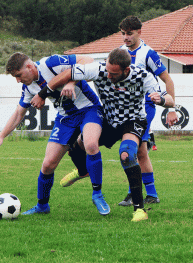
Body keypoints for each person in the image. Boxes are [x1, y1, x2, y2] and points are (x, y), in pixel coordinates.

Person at [38, 48, 175, 222]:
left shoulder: (143, 76)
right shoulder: (100, 69)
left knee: (127, 154)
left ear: (126, 70)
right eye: (107, 71)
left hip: (133, 121)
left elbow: (170, 99)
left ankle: (139, 210)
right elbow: (68, 72)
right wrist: (61, 86)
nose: (108, 76)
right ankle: (82, 171)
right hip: (109, 121)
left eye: (113, 73)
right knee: (77, 146)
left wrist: (161, 100)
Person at [61, 16, 179, 207]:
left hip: (143, 107)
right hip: (115, 110)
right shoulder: (118, 54)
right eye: (123, 34)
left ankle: (143, 194)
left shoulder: (148, 54)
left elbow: (168, 80)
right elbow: (93, 72)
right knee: (136, 150)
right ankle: (147, 193)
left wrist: (171, 109)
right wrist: (71, 80)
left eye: (129, 34)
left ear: (139, 32)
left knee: (137, 151)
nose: (125, 37)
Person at [0, 52, 110, 216]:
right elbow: (19, 113)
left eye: (18, 75)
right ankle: (42, 206)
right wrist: (1, 136)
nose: (18, 80)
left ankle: (97, 194)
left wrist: (71, 81)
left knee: (90, 144)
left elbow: (87, 60)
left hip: (89, 109)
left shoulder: (51, 63)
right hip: (65, 118)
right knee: (48, 164)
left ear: (29, 66)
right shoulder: (28, 87)